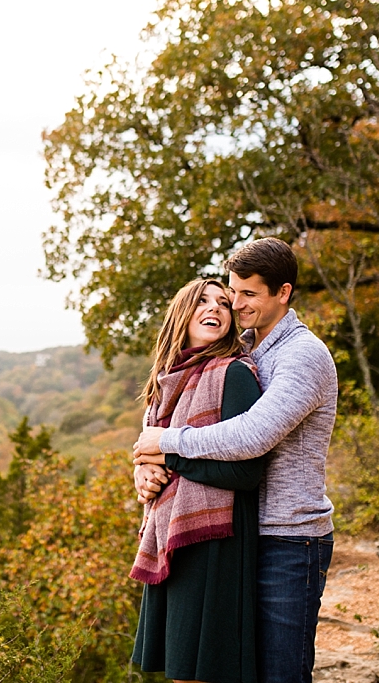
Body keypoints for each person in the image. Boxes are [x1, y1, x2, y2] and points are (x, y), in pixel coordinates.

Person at [134, 238, 338, 683]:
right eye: (233, 291)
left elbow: (252, 436)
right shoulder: (241, 345)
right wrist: (145, 465)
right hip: (240, 534)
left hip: (289, 538)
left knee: (281, 674)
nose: (235, 303)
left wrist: (166, 445)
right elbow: (171, 404)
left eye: (249, 294)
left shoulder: (301, 355)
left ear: (282, 293)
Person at [129, 276, 266, 683]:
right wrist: (144, 472)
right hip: (172, 534)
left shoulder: (234, 375)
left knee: (202, 674)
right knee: (180, 672)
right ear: (181, 315)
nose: (215, 308)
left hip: (215, 539)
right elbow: (152, 446)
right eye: (202, 301)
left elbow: (246, 471)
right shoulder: (165, 383)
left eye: (223, 303)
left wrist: (167, 455)